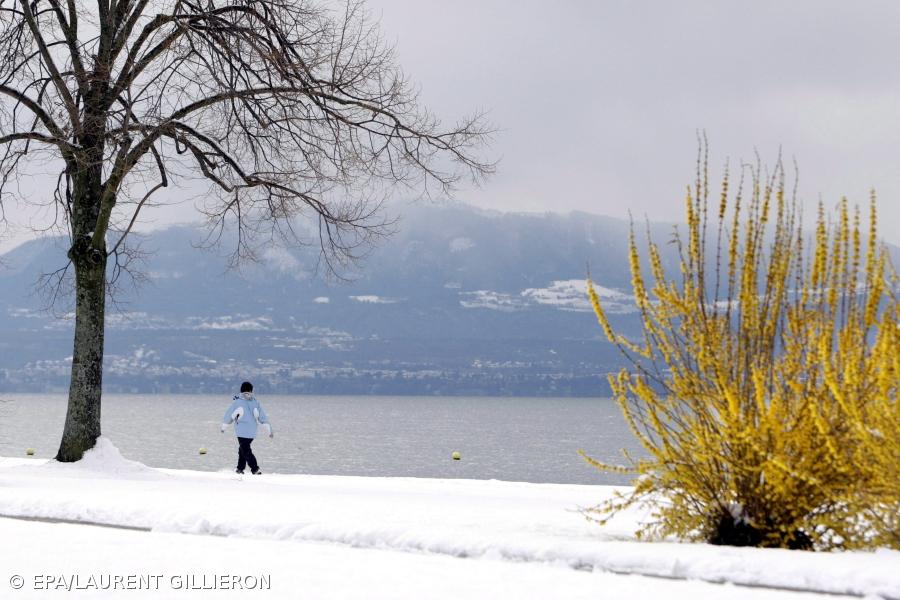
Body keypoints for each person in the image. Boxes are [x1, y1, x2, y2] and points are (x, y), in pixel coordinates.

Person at [221, 381, 273, 475]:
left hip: (241, 432)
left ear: (241, 390)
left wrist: (224, 427)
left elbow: (229, 415)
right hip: (252, 432)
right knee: (243, 449)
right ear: (251, 390)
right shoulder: (255, 402)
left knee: (245, 450)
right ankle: (240, 469)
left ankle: (255, 469)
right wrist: (269, 430)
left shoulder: (237, 402)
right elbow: (262, 417)